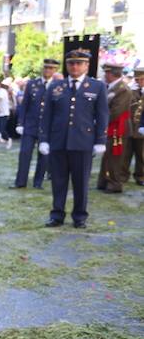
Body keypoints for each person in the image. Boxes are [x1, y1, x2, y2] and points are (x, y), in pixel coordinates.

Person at [39, 49, 108, 229]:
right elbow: (47, 115)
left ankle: (79, 217)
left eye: (79, 63)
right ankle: (57, 215)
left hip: (83, 141)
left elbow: (102, 115)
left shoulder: (97, 86)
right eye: (71, 63)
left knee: (81, 182)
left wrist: (100, 140)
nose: (75, 66)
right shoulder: (56, 86)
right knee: (58, 181)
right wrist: (44, 139)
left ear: (86, 65)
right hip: (58, 141)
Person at [12, 59, 57, 189]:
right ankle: (20, 182)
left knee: (44, 156)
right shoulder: (32, 84)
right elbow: (24, 105)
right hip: (31, 125)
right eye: (46, 68)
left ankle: (38, 182)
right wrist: (20, 123)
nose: (48, 70)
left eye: (51, 68)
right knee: (25, 153)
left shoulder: (58, 85)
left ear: (55, 70)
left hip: (48, 127)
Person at [95, 62, 134, 194]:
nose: (105, 75)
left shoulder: (123, 89)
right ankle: (104, 181)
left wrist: (98, 121)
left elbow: (116, 112)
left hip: (118, 128)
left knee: (115, 157)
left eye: (107, 72)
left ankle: (114, 183)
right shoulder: (110, 87)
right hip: (111, 127)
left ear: (113, 74)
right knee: (107, 156)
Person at [122, 67, 144, 186]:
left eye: (142, 79)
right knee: (126, 154)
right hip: (129, 127)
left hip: (142, 128)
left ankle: (140, 176)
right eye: (138, 79)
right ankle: (123, 175)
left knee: (142, 155)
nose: (140, 82)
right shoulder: (130, 91)